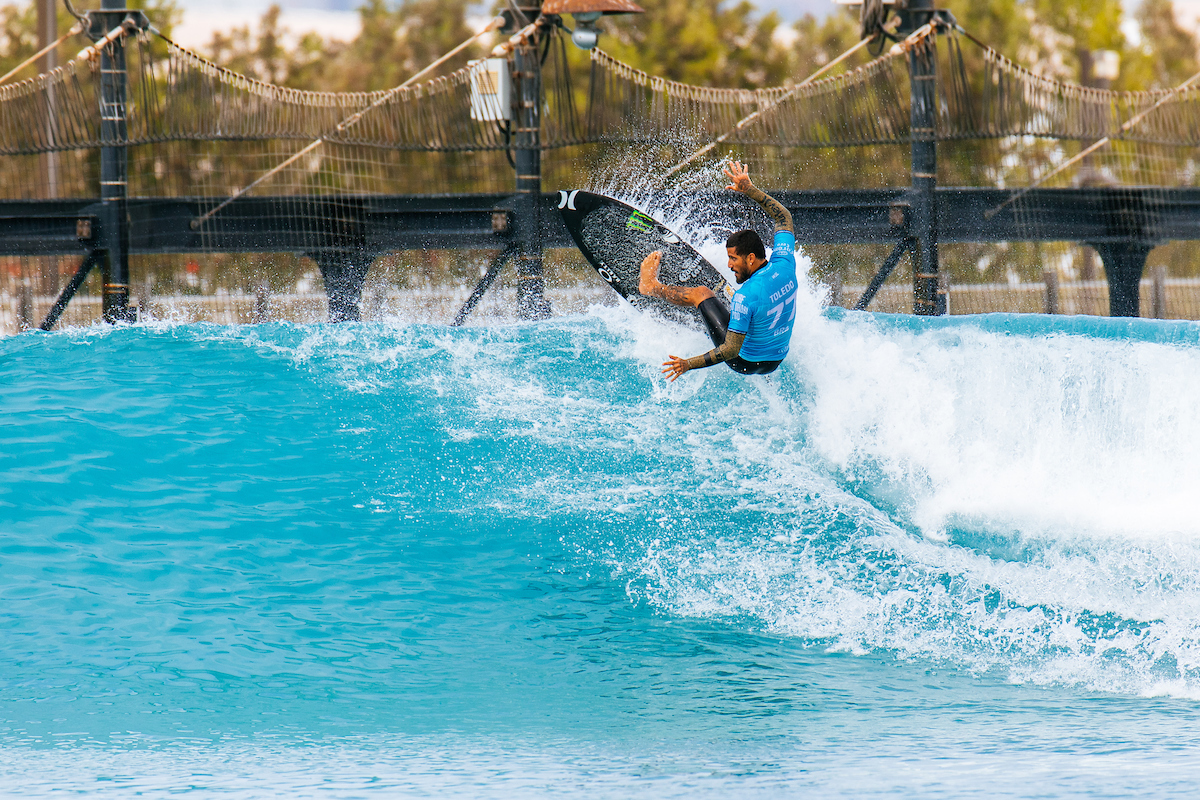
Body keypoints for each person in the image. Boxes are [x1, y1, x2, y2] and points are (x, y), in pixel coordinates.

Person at [639, 161, 798, 381]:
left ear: (751, 258)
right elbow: (784, 217)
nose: (729, 265)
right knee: (742, 305)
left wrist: (688, 364)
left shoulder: (746, 297)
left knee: (702, 293)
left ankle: (651, 286)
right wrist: (750, 190)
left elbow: (731, 351)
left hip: (744, 362)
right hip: (776, 360)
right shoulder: (786, 263)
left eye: (733, 259)